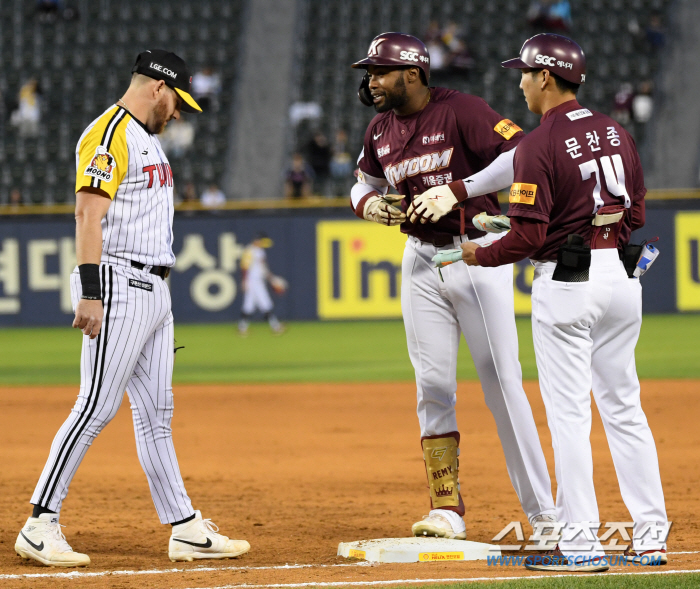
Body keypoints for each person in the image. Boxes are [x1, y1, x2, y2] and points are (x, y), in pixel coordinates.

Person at [15, 50, 249, 568]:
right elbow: (86, 215)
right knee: (95, 405)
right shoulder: (110, 134)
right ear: (159, 89)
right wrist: (90, 291)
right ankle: (40, 523)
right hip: (119, 282)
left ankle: (184, 527)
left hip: (155, 291)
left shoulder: (146, 139)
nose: (179, 113)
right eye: (178, 101)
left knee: (157, 414)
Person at [448, 33, 667, 571]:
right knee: (624, 408)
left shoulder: (537, 144)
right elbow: (634, 215)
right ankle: (651, 537)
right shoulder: (616, 131)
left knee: (569, 417)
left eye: (523, 73)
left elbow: (524, 238)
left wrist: (480, 253)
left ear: (545, 76)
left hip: (568, 285)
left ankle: (580, 543)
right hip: (621, 274)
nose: (519, 82)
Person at [349, 32, 555, 542]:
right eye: (369, 73)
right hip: (420, 258)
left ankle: (545, 515)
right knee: (432, 386)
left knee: (502, 384)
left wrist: (458, 190)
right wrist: (367, 204)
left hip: (476, 254)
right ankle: (447, 509)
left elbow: (523, 152)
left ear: (413, 74)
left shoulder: (462, 109)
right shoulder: (380, 129)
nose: (371, 81)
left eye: (379, 72)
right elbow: (362, 181)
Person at [237, 233, 286, 336]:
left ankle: (242, 328)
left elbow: (263, 268)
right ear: (256, 241)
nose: (263, 244)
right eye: (261, 241)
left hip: (258, 280)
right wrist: (244, 281)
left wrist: (271, 279)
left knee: (249, 306)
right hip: (252, 281)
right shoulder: (249, 250)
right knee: (265, 303)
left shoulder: (260, 251)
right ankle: (276, 327)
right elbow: (245, 267)